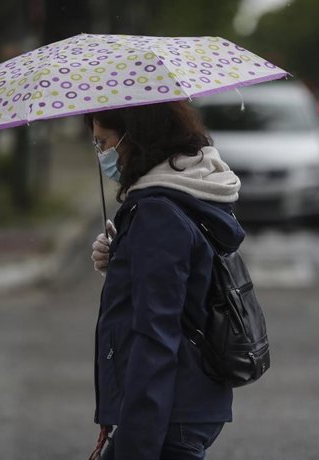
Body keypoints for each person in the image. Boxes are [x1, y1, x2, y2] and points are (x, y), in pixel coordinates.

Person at [86, 100, 245, 460]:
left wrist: (135, 445)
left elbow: (155, 334)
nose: (101, 153)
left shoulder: (157, 212)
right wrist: (123, 259)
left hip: (169, 412)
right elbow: (185, 287)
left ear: (134, 137)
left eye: (103, 141)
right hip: (185, 403)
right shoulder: (185, 190)